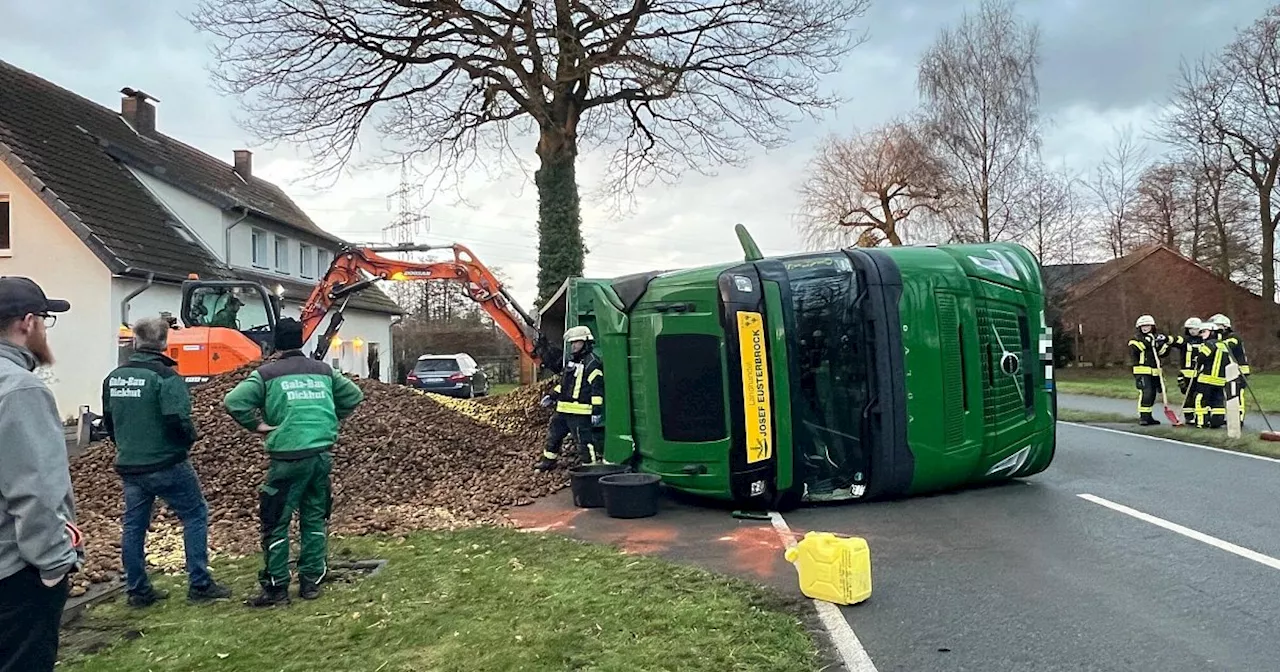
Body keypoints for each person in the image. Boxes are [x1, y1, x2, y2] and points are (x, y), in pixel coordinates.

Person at [223, 318, 365, 607]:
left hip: (287, 460)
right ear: (302, 340)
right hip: (321, 457)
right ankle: (311, 583)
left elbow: (233, 401)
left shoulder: (266, 374)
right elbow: (354, 395)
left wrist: (257, 426)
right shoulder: (323, 371)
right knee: (314, 519)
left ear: (277, 343)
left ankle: (277, 589)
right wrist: (330, 416)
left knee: (276, 522)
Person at [101, 317, 230, 607]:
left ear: (136, 341)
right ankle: (199, 583)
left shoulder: (114, 378)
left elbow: (109, 421)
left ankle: (137, 590)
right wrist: (185, 442)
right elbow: (177, 419)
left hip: (130, 465)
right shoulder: (166, 377)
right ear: (164, 342)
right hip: (166, 462)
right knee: (194, 514)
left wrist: (125, 446)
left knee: (134, 525)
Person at [0, 277, 81, 672]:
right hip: (14, 576)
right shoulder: (19, 389)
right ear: (27, 322)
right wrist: (53, 565)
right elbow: (37, 490)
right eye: (46, 320)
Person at [535, 326, 605, 471]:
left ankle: (590, 468)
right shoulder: (572, 362)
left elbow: (597, 390)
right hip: (563, 410)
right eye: (572, 343)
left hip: (580, 413)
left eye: (577, 343)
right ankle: (548, 462)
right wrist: (551, 396)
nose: (573, 346)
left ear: (586, 342)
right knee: (553, 436)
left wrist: (597, 411)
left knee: (583, 441)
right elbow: (564, 384)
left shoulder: (593, 363)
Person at [1128, 314, 1170, 426]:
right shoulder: (1135, 340)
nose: (1145, 328)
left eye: (1147, 325)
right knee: (1146, 393)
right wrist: (1148, 342)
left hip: (1155, 371)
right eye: (1143, 326)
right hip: (1142, 371)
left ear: (1152, 326)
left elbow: (1162, 354)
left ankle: (1149, 416)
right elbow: (1135, 350)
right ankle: (1143, 417)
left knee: (1152, 395)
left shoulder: (1154, 339)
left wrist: (1162, 344)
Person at [1208, 313, 1249, 424]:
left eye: (1217, 326)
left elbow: (1226, 346)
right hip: (1229, 371)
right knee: (1228, 395)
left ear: (1225, 326)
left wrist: (1213, 343)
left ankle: (1238, 418)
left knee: (1236, 395)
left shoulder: (1233, 337)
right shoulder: (1219, 338)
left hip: (1239, 371)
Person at [1189, 320, 1230, 429]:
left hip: (1206, 379)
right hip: (1220, 380)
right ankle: (1217, 421)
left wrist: (1197, 359)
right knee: (1217, 402)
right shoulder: (1224, 345)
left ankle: (1202, 422)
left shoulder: (1209, 344)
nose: (1202, 334)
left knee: (1201, 400)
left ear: (1212, 332)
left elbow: (1202, 357)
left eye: (1204, 332)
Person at [1174, 318, 1204, 425]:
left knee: (1199, 395)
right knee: (1188, 395)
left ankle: (1199, 416)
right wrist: (1166, 339)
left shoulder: (1204, 340)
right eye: (1190, 329)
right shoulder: (1185, 340)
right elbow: (1176, 341)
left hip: (1200, 372)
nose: (1192, 331)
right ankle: (1189, 417)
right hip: (1187, 372)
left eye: (1195, 329)